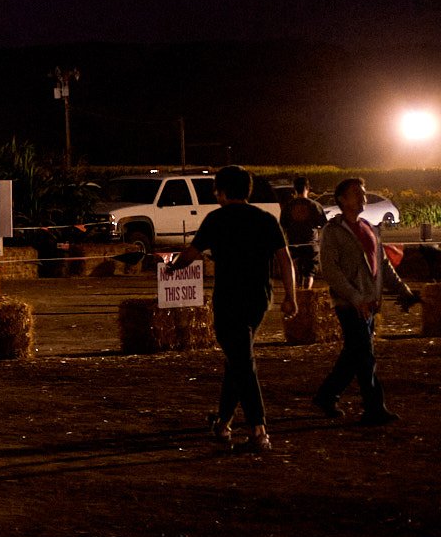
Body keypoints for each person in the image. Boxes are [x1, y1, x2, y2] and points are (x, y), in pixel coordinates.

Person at [165, 165, 298, 452]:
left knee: (242, 362)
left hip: (228, 298)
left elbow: (191, 253)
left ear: (220, 192)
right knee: (238, 359)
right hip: (259, 298)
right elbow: (285, 259)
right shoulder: (265, 219)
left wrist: (173, 266)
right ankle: (223, 422)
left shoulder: (216, 219)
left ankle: (258, 429)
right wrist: (291, 295)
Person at [312, 176, 416, 427]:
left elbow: (382, 265)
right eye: (356, 193)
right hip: (350, 304)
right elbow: (331, 271)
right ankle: (374, 407)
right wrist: (355, 297)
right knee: (365, 356)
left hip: (368, 302)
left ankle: (326, 396)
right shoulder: (333, 232)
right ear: (341, 200)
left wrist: (403, 291)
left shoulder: (369, 228)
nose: (363, 197)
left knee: (353, 355)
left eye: (363, 192)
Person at [281, 176, 328, 290]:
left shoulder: (288, 206)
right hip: (310, 245)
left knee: (295, 272)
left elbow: (282, 225)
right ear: (307, 188)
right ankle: (306, 296)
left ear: (295, 189)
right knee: (309, 274)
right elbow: (324, 225)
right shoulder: (315, 206)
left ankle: (295, 296)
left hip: (293, 244)